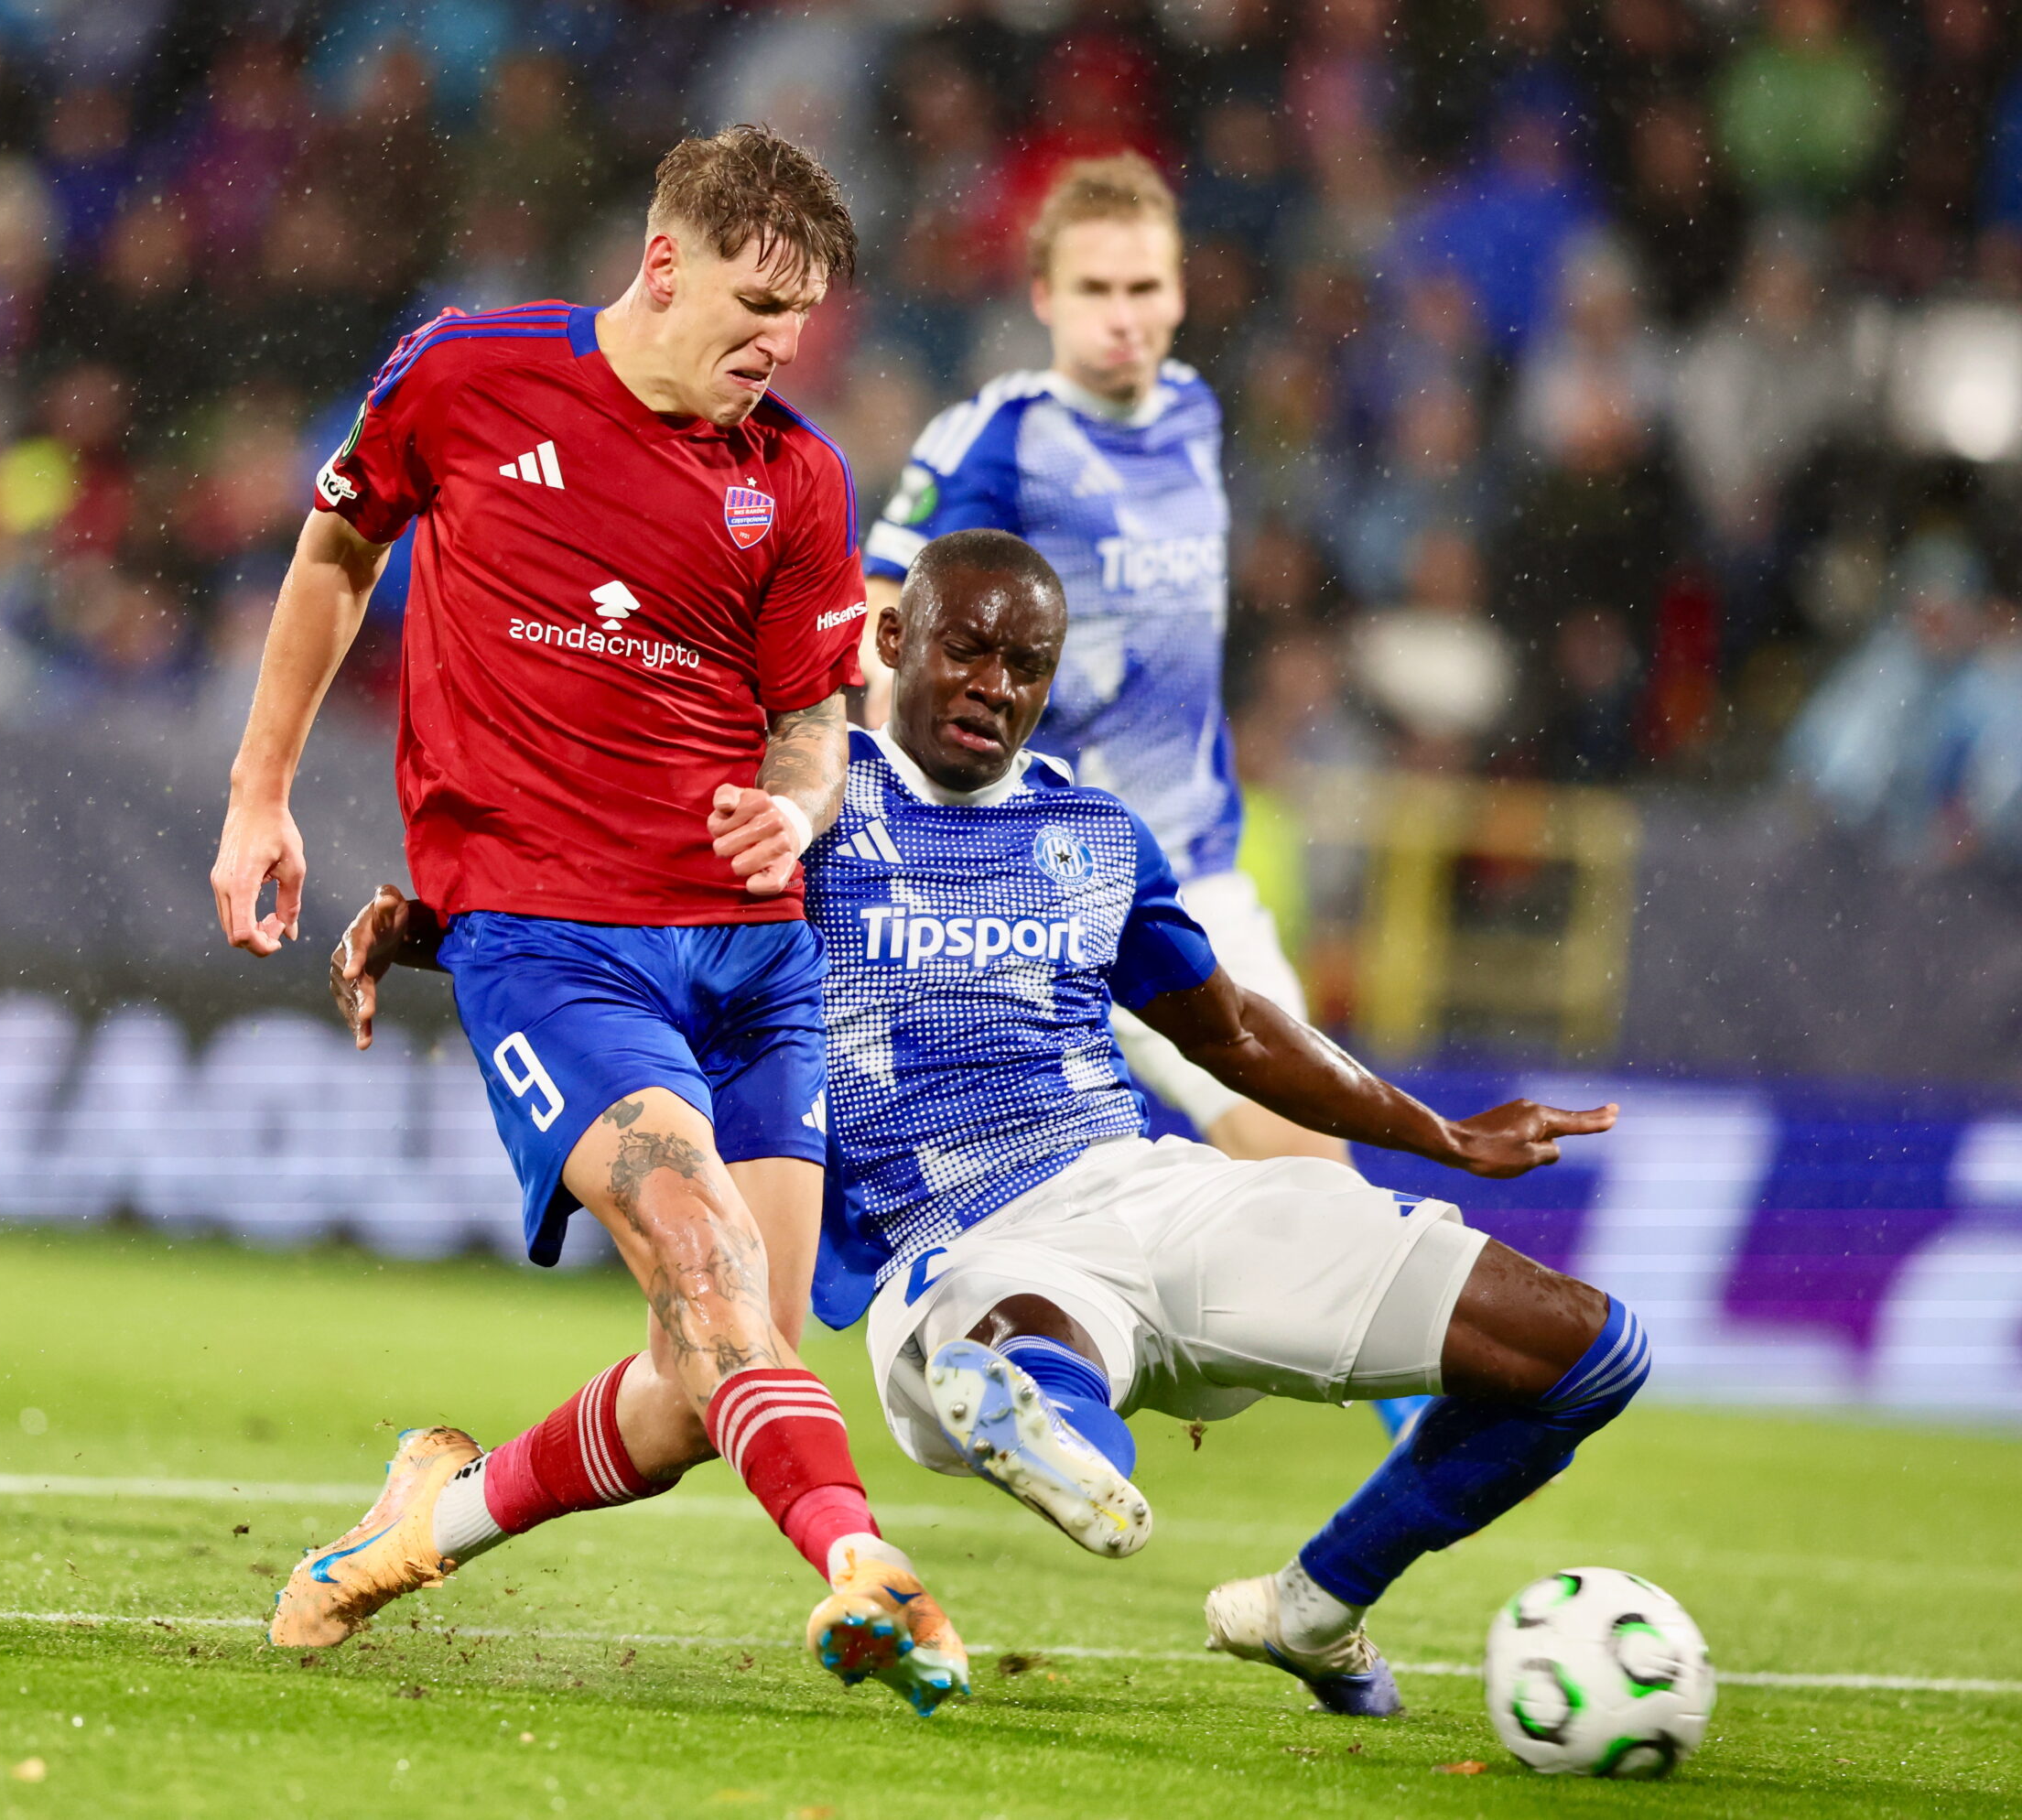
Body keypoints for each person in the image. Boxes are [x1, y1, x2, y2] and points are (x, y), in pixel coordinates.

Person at [332, 530, 1645, 1719]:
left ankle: (1314, 1605)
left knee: (1589, 1350)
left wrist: (1441, 1135)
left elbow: (1230, 1033)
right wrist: (440, 928)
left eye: (1026, 663)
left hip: (1151, 1185)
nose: (994, 685)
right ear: (892, 643)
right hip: (948, 1246)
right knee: (1018, 1338)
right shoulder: (811, 803)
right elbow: (618, 913)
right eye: (966, 649)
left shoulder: (1092, 833)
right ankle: (1036, 1410)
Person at [209, 125, 967, 1717]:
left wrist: (801, 803)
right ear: (665, 258)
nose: (782, 345)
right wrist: (260, 794)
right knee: (706, 1278)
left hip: (758, 954)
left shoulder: (801, 481)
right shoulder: (469, 377)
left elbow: (814, 727)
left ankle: (434, 1517)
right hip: (556, 946)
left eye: (807, 319)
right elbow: (340, 546)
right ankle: (867, 1568)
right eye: (759, 303)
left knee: (716, 1378)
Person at [861, 154, 1436, 1439]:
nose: (1124, 312)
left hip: (1186, 869)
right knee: (1028, 1191)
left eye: (1147, 285)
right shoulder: (994, 438)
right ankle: (1031, 1380)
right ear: (1044, 297)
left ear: (1180, 296)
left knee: (1306, 1159)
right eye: (1096, 287)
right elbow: (874, 617)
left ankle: (1385, 1426)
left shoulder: (1195, 414)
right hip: (1032, 878)